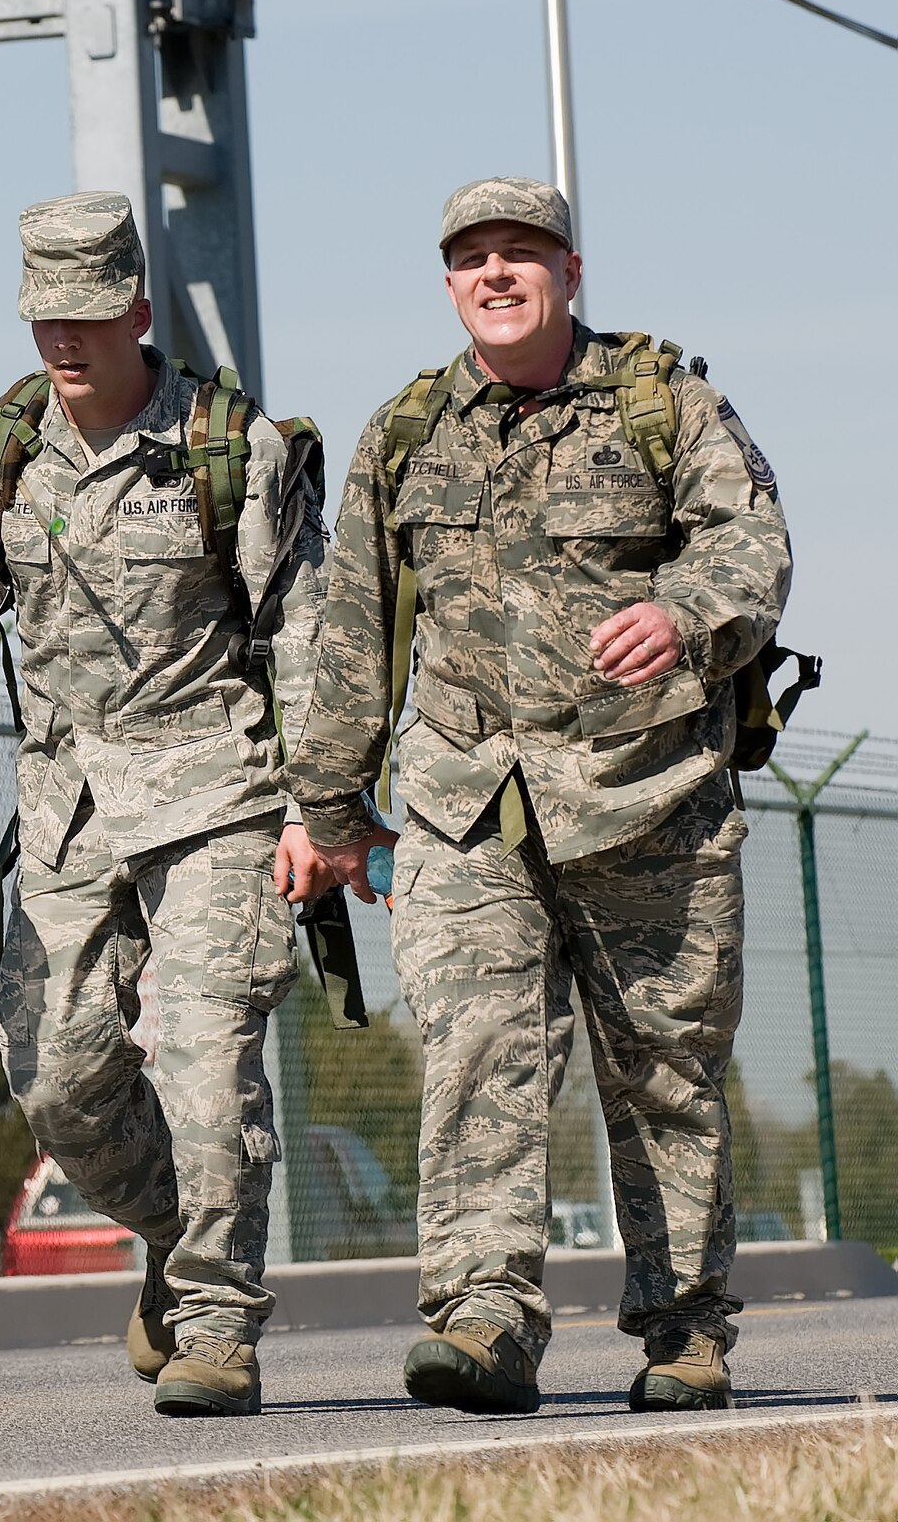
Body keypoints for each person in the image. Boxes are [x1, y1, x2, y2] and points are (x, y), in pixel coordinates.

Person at [282, 176, 792, 1415]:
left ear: (571, 272)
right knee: (473, 1055)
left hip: (646, 797)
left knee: (660, 1069)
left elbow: (752, 547)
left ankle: (680, 1327)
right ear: (448, 281)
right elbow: (351, 630)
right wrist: (328, 807)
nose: (495, 275)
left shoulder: (664, 403)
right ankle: (483, 1317)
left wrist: (677, 614)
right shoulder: (405, 433)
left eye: (522, 253)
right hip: (468, 805)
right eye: (471, 258)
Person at [0, 191, 329, 1416]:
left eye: (83, 316)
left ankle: (218, 1322)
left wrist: (316, 806)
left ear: (135, 309)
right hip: (68, 809)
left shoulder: (231, 449)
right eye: (40, 319)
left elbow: (306, 642)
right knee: (59, 1081)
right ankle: (179, 1231)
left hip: (218, 793)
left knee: (202, 1060)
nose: (61, 342)